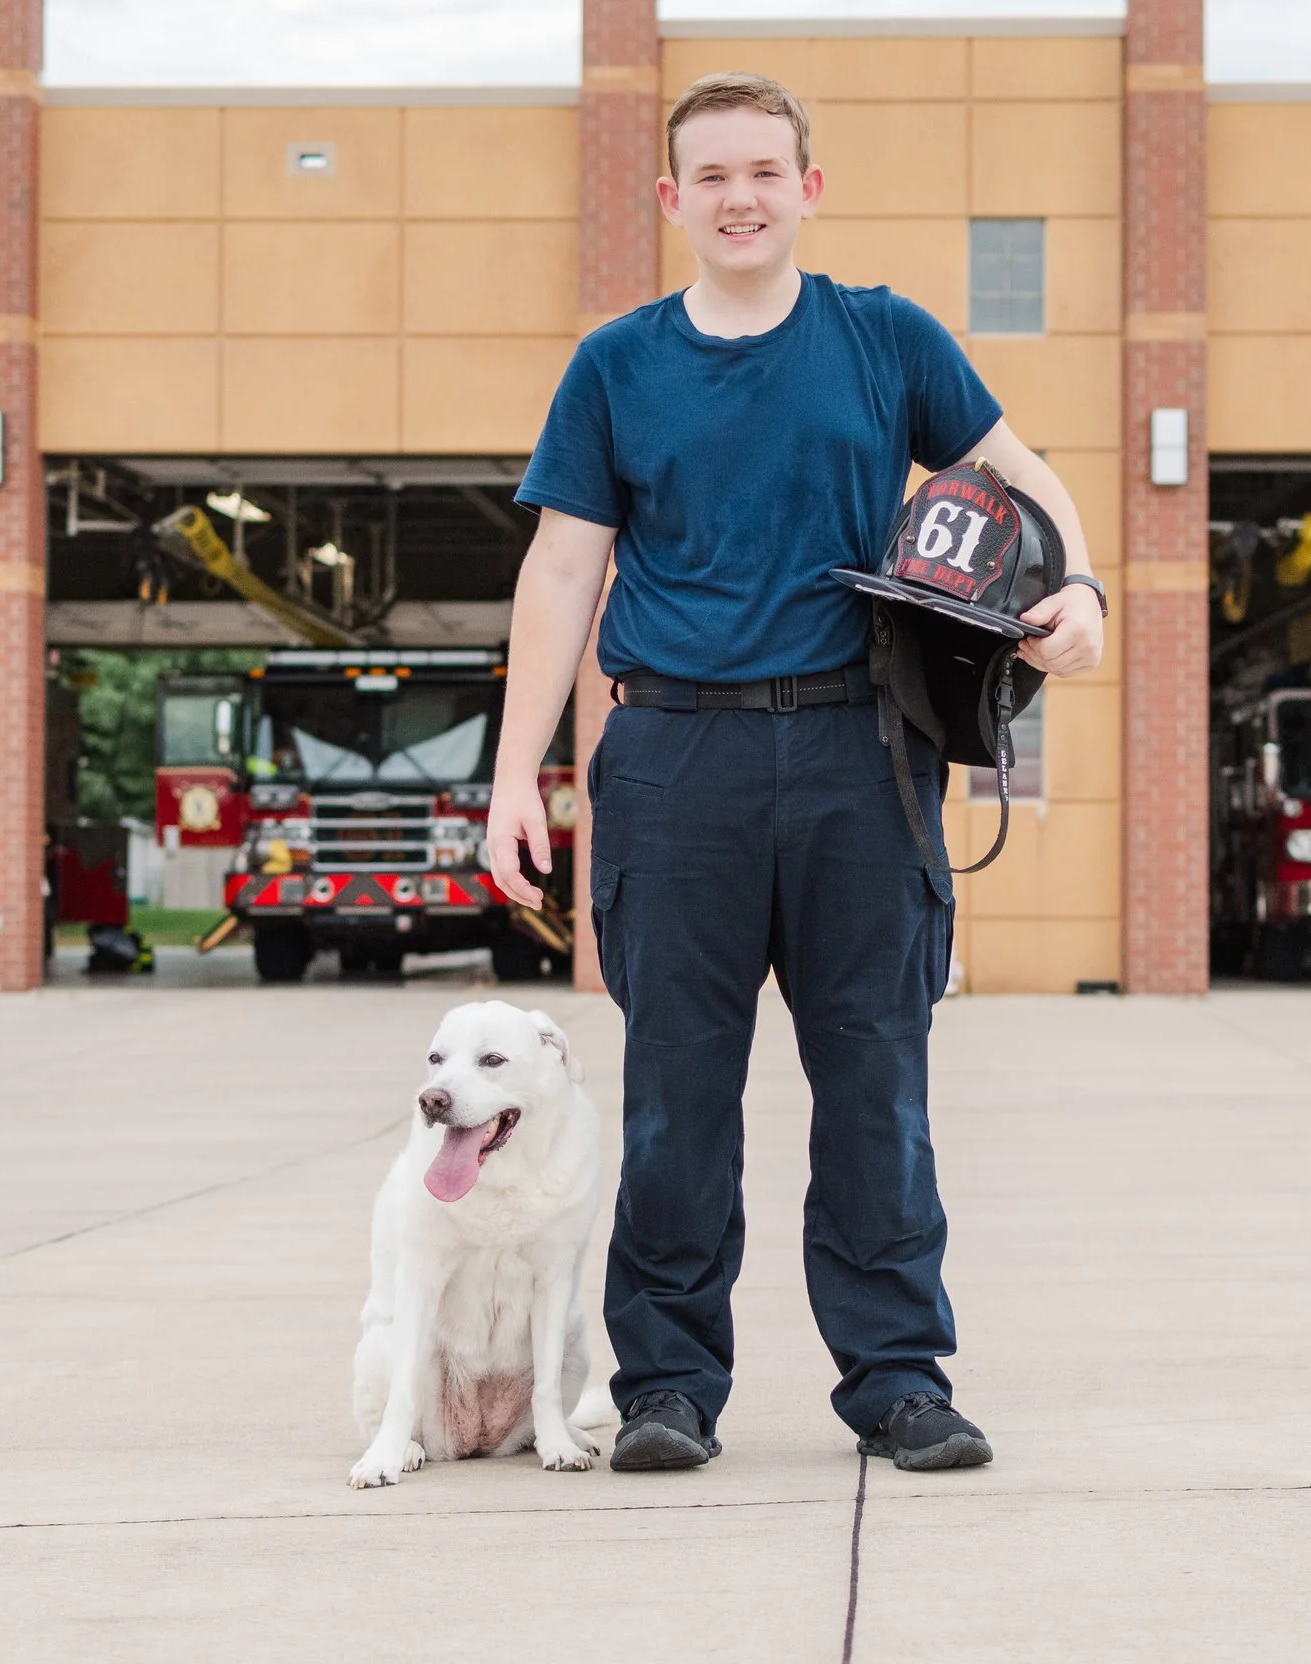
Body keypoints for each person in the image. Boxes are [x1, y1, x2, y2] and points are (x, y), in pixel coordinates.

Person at [486, 72, 1107, 1473]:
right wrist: (516, 773)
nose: (742, 197)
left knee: (876, 1081)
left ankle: (897, 1379)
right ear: (673, 200)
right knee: (677, 1092)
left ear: (809, 189)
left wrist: (1084, 589)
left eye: (766, 170)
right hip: (670, 758)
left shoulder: (886, 340)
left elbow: (1024, 478)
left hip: (858, 753)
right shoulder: (617, 365)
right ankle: (667, 1389)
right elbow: (563, 569)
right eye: (711, 176)